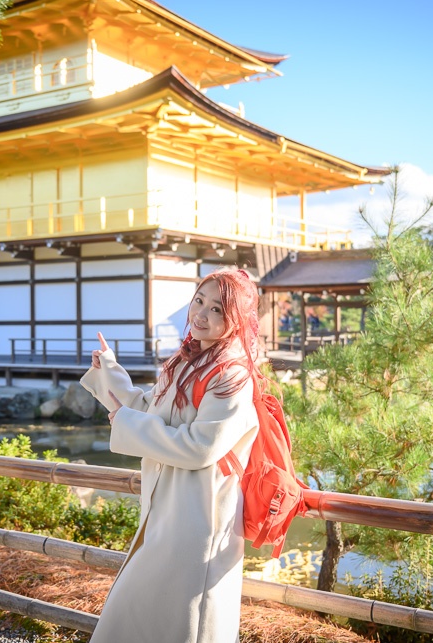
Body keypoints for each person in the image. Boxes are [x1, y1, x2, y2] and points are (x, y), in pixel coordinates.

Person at [80, 268, 261, 643]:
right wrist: (109, 372)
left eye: (217, 310)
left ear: (236, 320)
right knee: (145, 614)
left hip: (200, 516)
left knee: (180, 621)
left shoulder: (232, 375)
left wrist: (128, 423)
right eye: (199, 301)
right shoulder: (188, 359)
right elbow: (149, 409)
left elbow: (200, 447)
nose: (201, 315)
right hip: (170, 510)